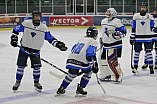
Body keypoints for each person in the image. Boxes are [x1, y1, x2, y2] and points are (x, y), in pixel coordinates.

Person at [10, 11, 68, 92]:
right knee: (20, 67)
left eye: (38, 16)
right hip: (24, 50)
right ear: (33, 17)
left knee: (37, 68)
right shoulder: (26, 24)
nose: (37, 18)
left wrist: (58, 45)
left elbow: (50, 39)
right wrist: (14, 38)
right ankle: (17, 82)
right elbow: (15, 30)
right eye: (35, 16)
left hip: (35, 52)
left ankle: (36, 83)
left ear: (40, 17)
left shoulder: (43, 28)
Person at [56, 27, 99, 96]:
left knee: (71, 75)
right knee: (88, 72)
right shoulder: (93, 41)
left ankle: (61, 88)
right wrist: (94, 64)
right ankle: (80, 88)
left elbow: (73, 49)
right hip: (82, 60)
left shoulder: (81, 39)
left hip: (71, 59)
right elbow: (90, 54)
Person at [98, 8, 127, 83]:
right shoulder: (103, 21)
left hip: (115, 45)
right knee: (102, 60)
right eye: (107, 14)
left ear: (114, 14)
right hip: (105, 44)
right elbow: (104, 32)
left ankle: (117, 76)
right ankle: (107, 74)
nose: (108, 15)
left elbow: (124, 31)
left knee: (112, 61)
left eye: (110, 14)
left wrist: (118, 35)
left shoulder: (117, 21)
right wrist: (102, 40)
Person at [130, 2, 154, 74]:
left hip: (148, 37)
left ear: (146, 8)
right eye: (142, 7)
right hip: (138, 37)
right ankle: (135, 66)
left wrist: (154, 30)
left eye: (144, 7)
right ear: (140, 8)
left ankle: (151, 67)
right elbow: (133, 27)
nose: (143, 8)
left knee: (149, 52)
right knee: (136, 53)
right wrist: (132, 36)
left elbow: (152, 27)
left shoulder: (150, 16)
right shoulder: (136, 16)